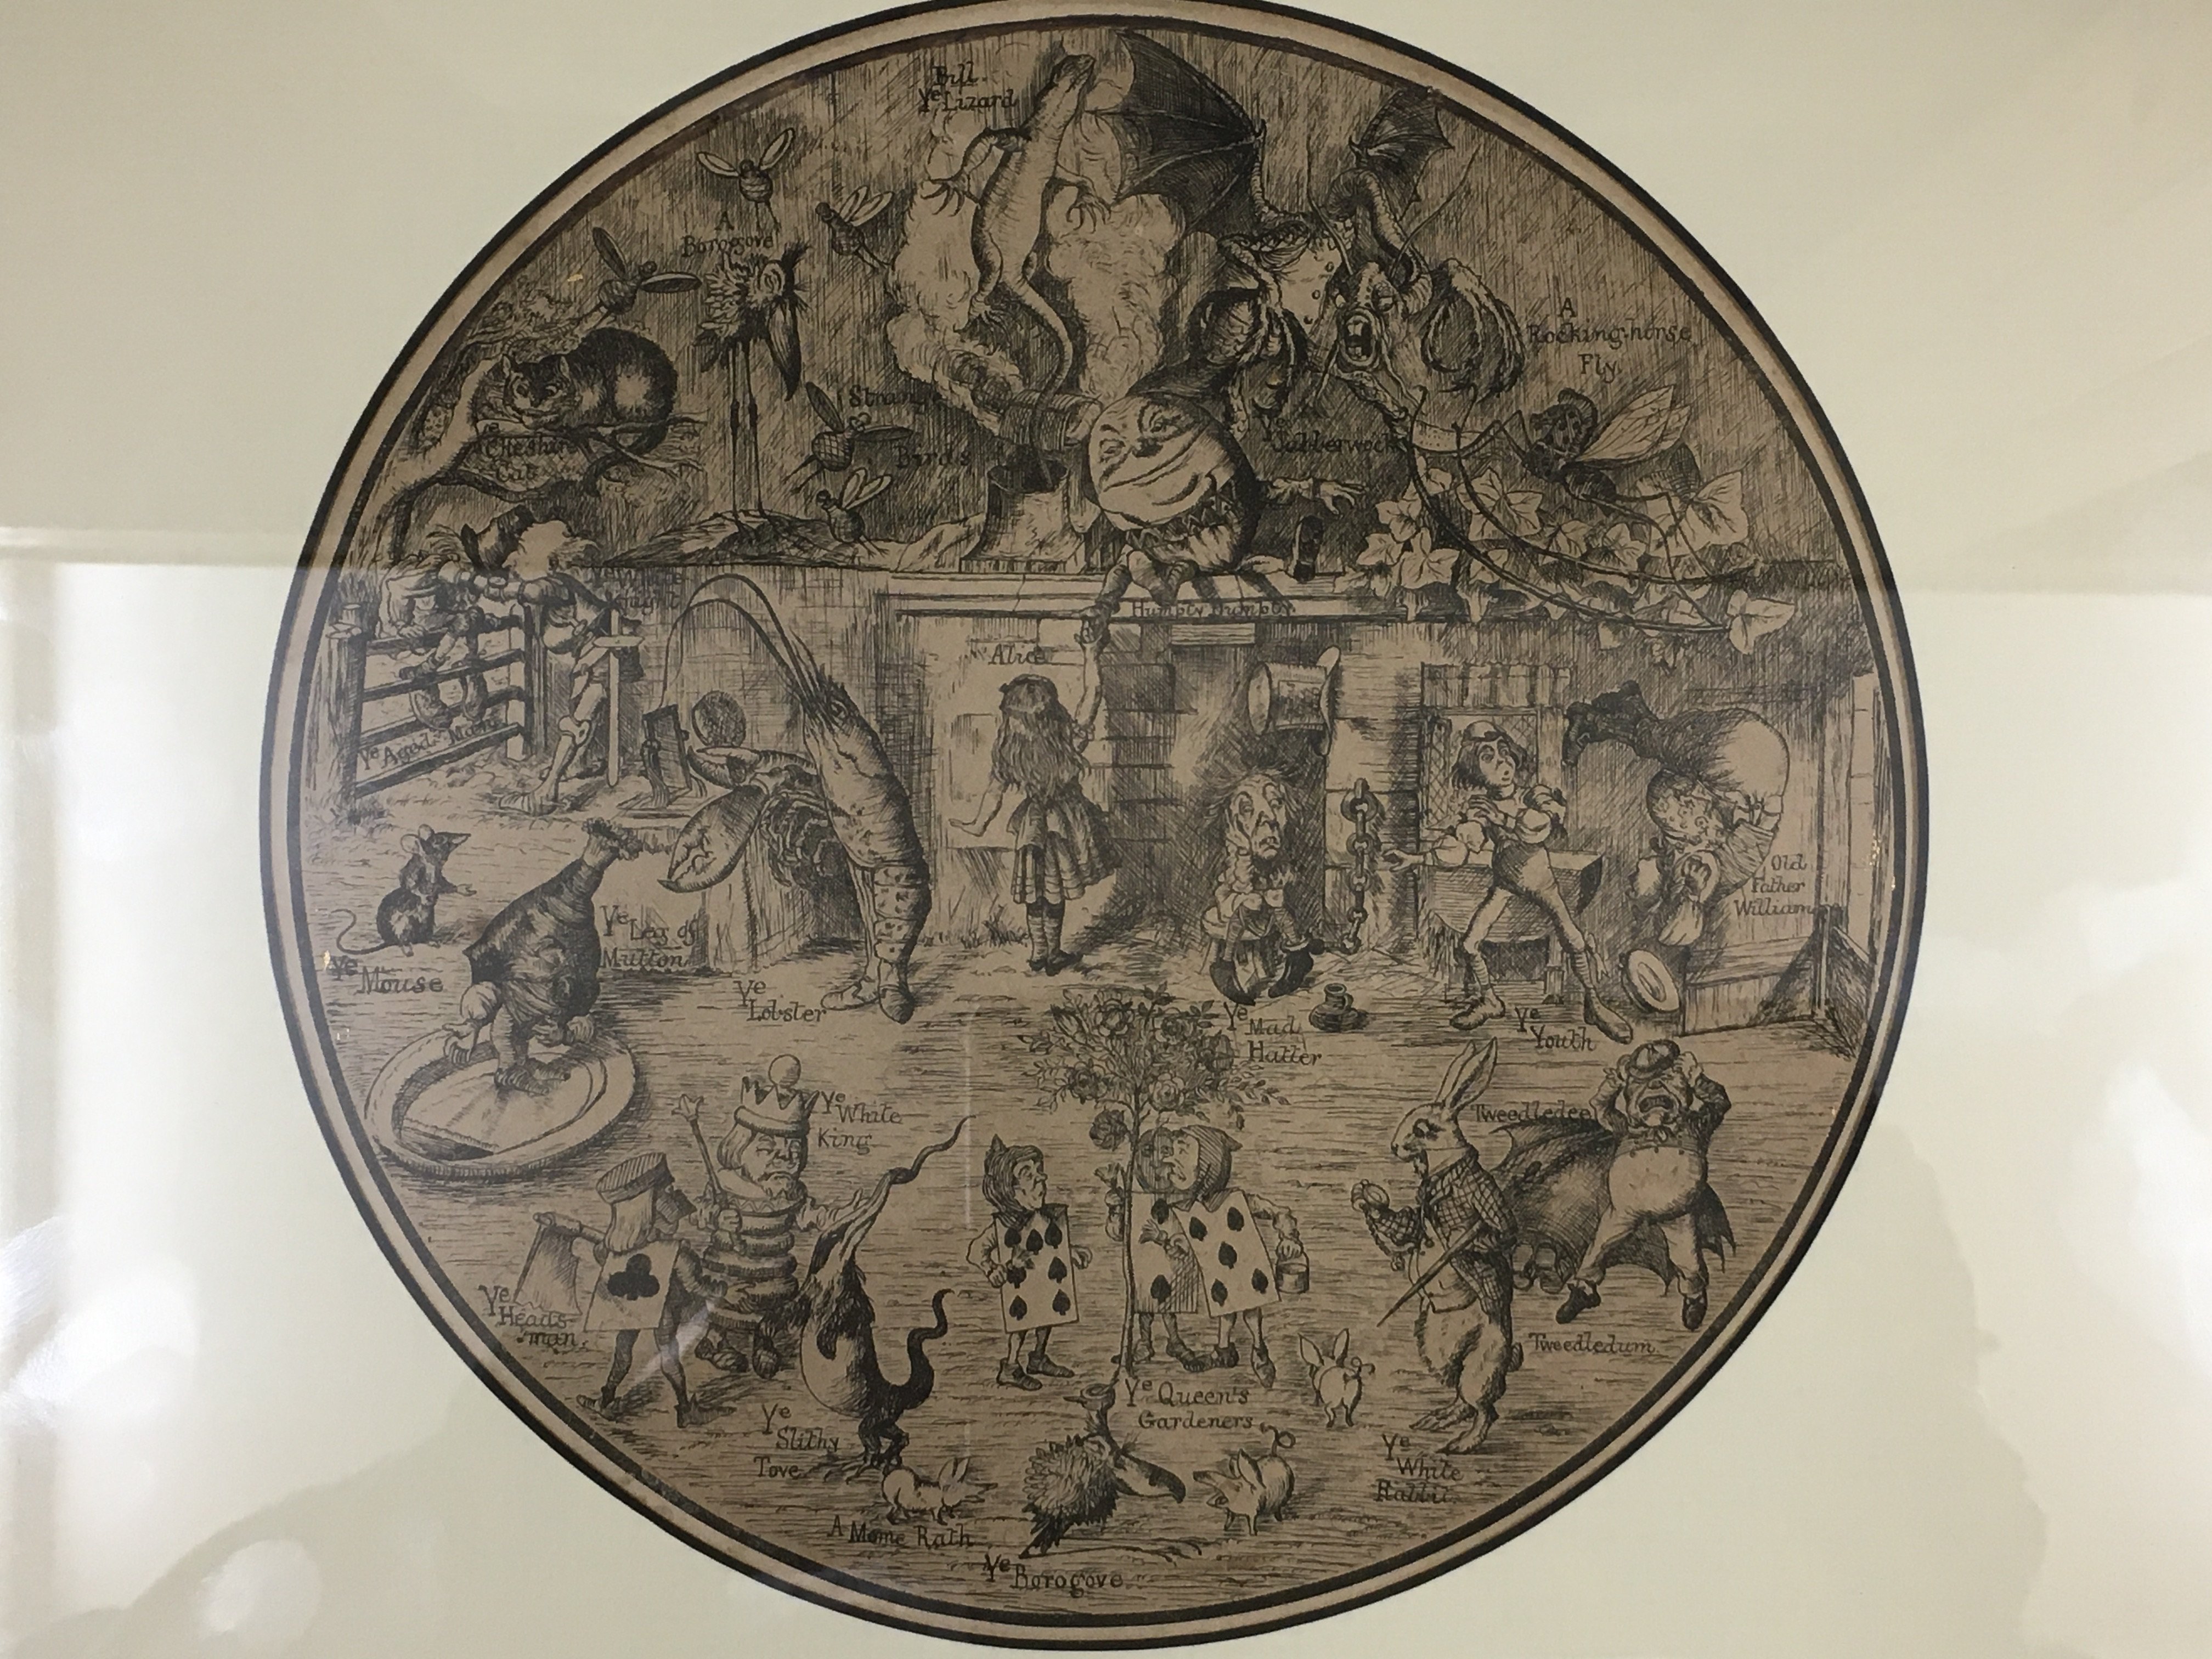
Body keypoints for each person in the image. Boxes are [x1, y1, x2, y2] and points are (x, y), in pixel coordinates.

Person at [1386, 723, 1633, 1043]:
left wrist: (1501, 818)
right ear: (1474, 768)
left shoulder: (1534, 795)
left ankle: (1594, 1003)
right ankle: (1491, 1000)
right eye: (1488, 757)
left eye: (1505, 753)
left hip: (1542, 883)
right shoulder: (1479, 808)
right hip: (1505, 885)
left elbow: (1538, 828)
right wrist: (1417, 859)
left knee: (1574, 939)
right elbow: (1459, 850)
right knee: (1470, 943)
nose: (1502, 763)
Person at [949, 627, 1115, 974]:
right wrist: (1090, 653)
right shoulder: (1064, 743)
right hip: (1062, 826)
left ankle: (1041, 953)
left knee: (1037, 891)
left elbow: (993, 795)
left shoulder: (1013, 752)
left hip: (1033, 830)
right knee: (1052, 891)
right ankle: (1050, 953)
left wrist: (978, 825)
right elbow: (1093, 695)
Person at [577, 1152, 708, 1428]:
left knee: (625, 1350)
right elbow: (694, 1284)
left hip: (635, 1305)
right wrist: (718, 1290)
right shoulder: (677, 1252)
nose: (674, 1192)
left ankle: (608, 1400)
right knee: (666, 1353)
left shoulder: (614, 1248)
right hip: (662, 1307)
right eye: (667, 1190)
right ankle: (684, 1409)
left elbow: (604, 1257)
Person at [968, 1137, 1091, 1390]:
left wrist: (1071, 1253)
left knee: (1047, 1315)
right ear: (1011, 1189)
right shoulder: (1004, 1225)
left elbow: (1054, 1246)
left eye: (1039, 1171)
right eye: (1028, 1175)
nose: (1041, 1178)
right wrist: (992, 1269)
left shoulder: (1046, 1218)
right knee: (1021, 1325)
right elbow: (975, 1251)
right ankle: (1011, 1367)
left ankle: (1038, 1358)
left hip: (1045, 1280)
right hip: (1020, 1285)